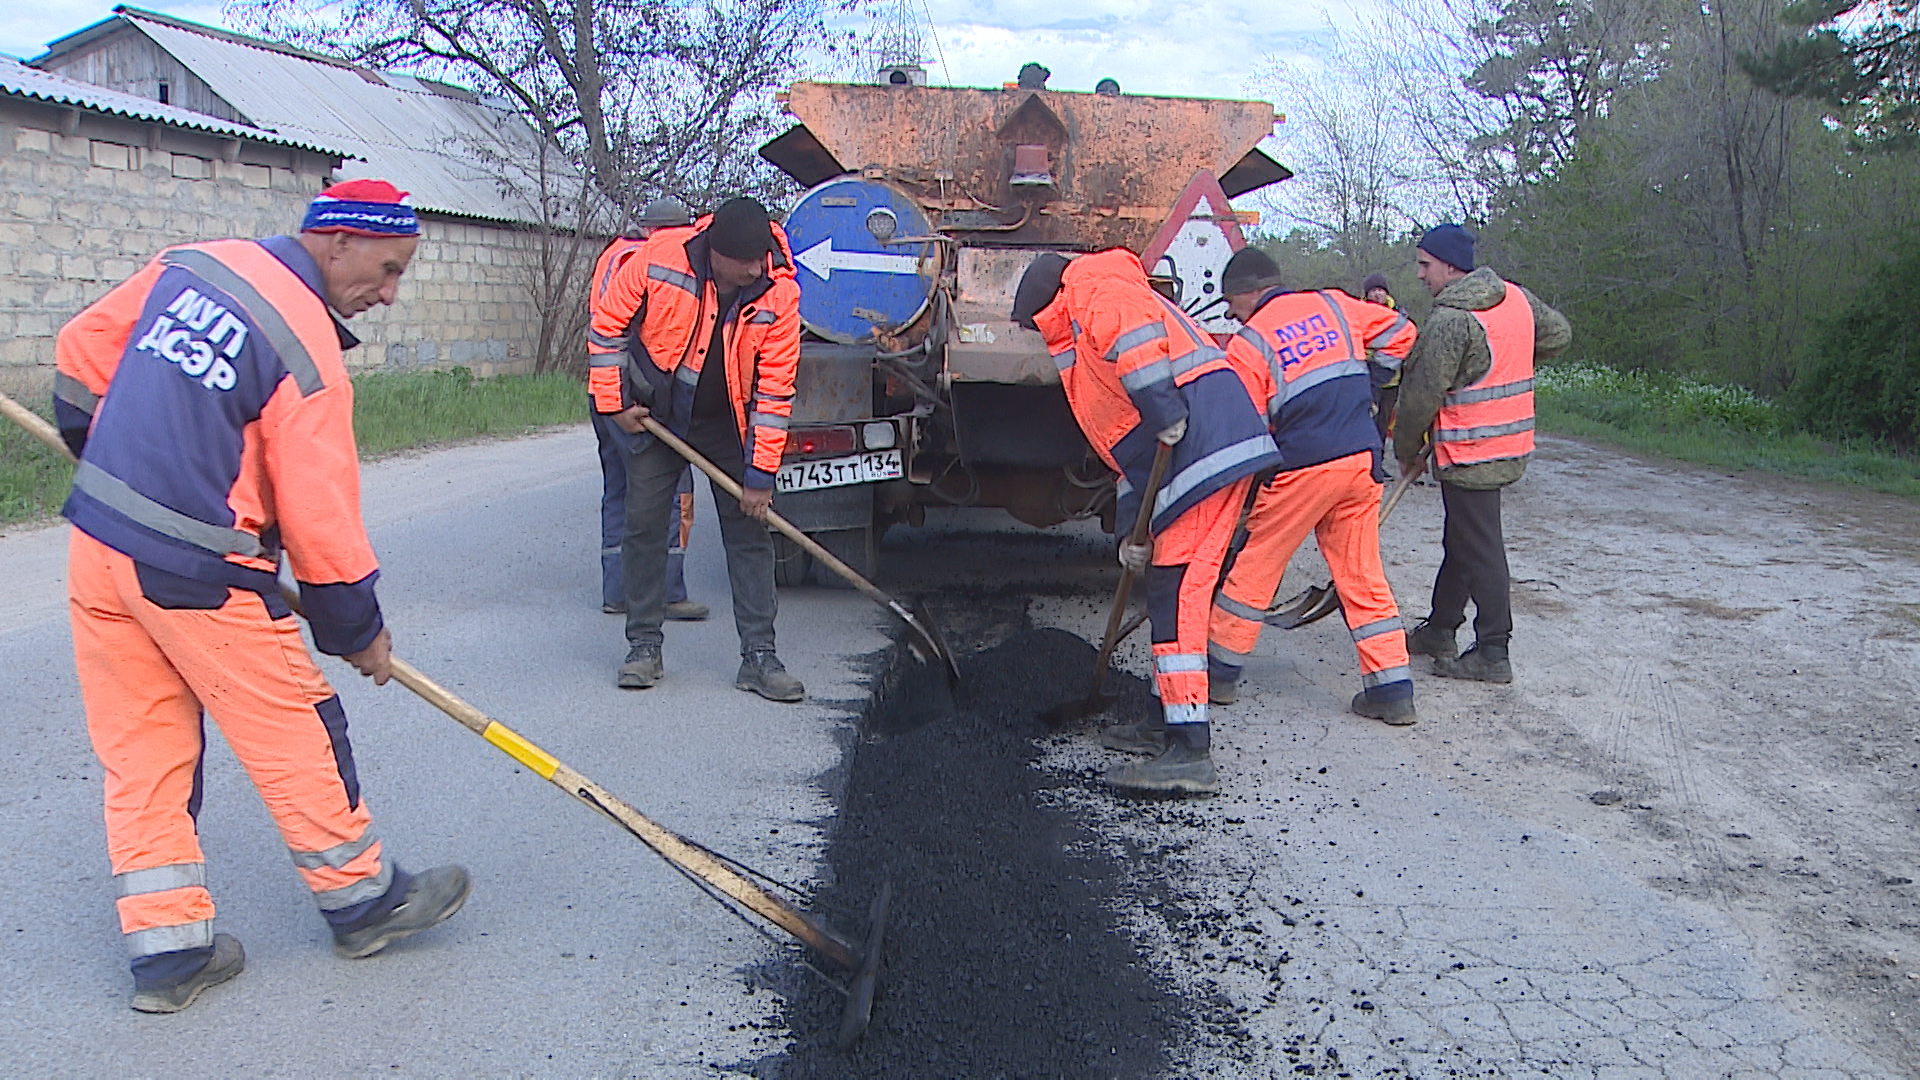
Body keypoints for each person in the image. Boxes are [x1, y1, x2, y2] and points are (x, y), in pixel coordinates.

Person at [51, 179, 470, 1014]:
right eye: (385, 271)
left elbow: (79, 353)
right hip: (199, 573)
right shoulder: (307, 350)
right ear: (338, 241)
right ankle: (364, 903)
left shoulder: (193, 266)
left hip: (99, 547)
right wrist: (357, 630)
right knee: (295, 729)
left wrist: (115, 461)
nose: (387, 294)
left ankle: (169, 958)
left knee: (142, 754)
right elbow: (321, 518)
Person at [1012, 249, 1283, 797]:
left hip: (1207, 448)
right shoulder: (1088, 327)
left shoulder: (1094, 289)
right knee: (1166, 581)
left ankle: (1189, 749)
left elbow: (1137, 344)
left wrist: (1164, 409)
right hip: (1194, 454)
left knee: (1178, 590)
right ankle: (1166, 720)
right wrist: (1130, 535)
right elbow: (1130, 455)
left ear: (1049, 304)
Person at [589, 198, 805, 702]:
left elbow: (775, 391)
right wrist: (616, 403)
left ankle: (759, 656)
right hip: (661, 415)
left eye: (762, 258)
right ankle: (643, 645)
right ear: (718, 254)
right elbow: (606, 328)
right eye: (748, 261)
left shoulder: (779, 292)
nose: (758, 268)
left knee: (750, 532)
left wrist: (759, 475)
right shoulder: (659, 258)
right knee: (644, 525)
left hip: (728, 423)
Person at [1206, 248, 1420, 723]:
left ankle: (1218, 673)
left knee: (1256, 565)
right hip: (1361, 460)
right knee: (1362, 574)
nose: (1232, 315)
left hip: (1304, 466)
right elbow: (1403, 332)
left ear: (1246, 294)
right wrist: (1373, 379)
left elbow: (1248, 425)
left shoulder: (1250, 342)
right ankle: (1391, 691)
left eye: (1231, 306)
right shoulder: (1335, 304)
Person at [1395, 224, 1572, 683]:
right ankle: (1440, 628)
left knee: (1482, 546)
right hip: (1506, 444)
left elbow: (1419, 395)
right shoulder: (1516, 298)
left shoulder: (1450, 321)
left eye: (1425, 265)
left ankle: (1493, 649)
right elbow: (1558, 336)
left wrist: (1406, 448)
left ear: (1451, 267)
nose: (1420, 275)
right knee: (1465, 538)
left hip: (1471, 448)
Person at [588, 198, 708, 621]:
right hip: (632, 396)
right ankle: (669, 591)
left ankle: (618, 590)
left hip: (602, 391)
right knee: (669, 486)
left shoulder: (614, 253)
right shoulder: (650, 260)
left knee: (619, 487)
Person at [1359, 271, 1403, 447]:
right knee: (1367, 423)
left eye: (1381, 290)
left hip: (1393, 380)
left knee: (1384, 424)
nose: (1377, 294)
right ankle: (1370, 461)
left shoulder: (1399, 315)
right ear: (1367, 294)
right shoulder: (1359, 315)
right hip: (1368, 380)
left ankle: (1380, 460)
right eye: (1373, 290)